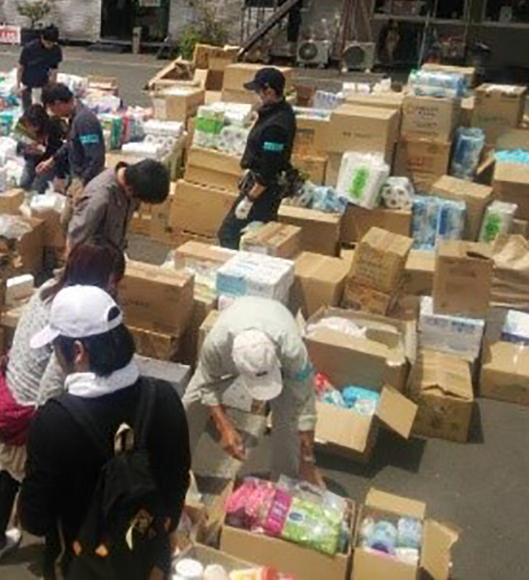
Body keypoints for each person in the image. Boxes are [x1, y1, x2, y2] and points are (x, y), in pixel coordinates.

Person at [20, 285, 190, 580]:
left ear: (77, 351)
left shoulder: (54, 421)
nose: (55, 357)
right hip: (148, 563)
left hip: (83, 567)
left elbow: (36, 520)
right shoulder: (164, 399)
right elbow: (176, 486)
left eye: (55, 347)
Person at [0, 241, 126, 568]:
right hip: (34, 409)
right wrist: (49, 427)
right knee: (46, 484)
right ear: (99, 279)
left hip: (9, 396)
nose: (114, 288)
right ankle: (54, 554)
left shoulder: (48, 288)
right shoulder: (76, 316)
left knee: (7, 476)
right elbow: (53, 377)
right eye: (112, 281)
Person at [181, 296, 321, 487]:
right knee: (191, 401)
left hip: (276, 315)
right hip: (239, 316)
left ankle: (285, 480)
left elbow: (305, 405)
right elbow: (208, 385)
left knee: (290, 418)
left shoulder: (292, 350)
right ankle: (176, 464)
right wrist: (224, 426)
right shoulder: (215, 344)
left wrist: (308, 461)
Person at [218, 67, 296, 250]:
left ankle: (237, 271)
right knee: (257, 237)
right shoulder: (278, 111)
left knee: (229, 234)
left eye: (258, 91)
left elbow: (269, 168)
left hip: (263, 191)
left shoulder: (276, 127)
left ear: (269, 91)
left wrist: (250, 200)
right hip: (262, 186)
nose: (256, 95)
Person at [65, 159, 171, 256]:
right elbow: (75, 240)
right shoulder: (98, 199)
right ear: (130, 190)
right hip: (92, 263)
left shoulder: (136, 179)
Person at [37, 83, 105, 189]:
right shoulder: (74, 117)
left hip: (87, 181)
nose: (54, 114)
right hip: (77, 176)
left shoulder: (84, 121)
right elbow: (71, 142)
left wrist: (82, 182)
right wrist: (52, 160)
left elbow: (95, 158)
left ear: (58, 103)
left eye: (52, 109)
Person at [17, 104, 66, 193]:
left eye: (33, 125)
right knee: (24, 184)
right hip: (32, 159)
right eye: (28, 125)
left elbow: (59, 152)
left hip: (49, 162)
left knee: (37, 188)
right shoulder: (22, 126)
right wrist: (27, 151)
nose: (30, 128)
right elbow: (19, 148)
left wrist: (43, 152)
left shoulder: (53, 128)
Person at [17, 25, 62, 108]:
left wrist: (52, 86)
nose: (49, 45)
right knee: (28, 109)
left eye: (52, 43)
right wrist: (18, 85)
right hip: (28, 84)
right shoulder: (29, 48)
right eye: (47, 42)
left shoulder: (56, 50)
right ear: (42, 38)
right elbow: (21, 68)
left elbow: (54, 69)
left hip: (44, 84)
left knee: (42, 109)